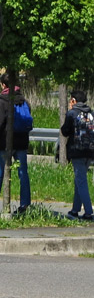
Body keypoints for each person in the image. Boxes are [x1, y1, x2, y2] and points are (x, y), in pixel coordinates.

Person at [0, 72, 31, 213]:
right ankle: (25, 205)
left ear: (3, 85)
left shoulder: (2, 101)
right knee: (23, 173)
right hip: (22, 143)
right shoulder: (24, 101)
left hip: (5, 143)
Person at [61, 89, 94, 221]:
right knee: (79, 181)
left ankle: (88, 211)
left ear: (74, 100)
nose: (70, 102)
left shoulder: (72, 114)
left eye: (71, 100)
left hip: (77, 151)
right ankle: (75, 210)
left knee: (81, 181)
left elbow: (65, 131)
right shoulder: (91, 113)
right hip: (90, 151)